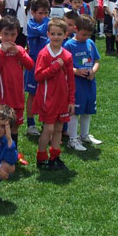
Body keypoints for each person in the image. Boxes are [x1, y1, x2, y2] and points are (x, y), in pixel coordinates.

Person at [0, 15, 33, 165]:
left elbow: (30, 65)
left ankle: (13, 154)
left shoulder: (19, 49)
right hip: (2, 99)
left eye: (12, 34)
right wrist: (2, 52)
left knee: (14, 127)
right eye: (5, 34)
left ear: (17, 34)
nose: (9, 38)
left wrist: (19, 52)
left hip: (17, 97)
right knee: (0, 127)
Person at [34, 17, 75, 170]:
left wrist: (71, 100)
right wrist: (55, 67)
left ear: (66, 35)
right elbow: (38, 76)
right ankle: (41, 156)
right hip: (48, 98)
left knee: (59, 128)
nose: (56, 37)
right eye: (53, 34)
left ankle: (55, 156)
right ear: (48, 34)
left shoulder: (67, 56)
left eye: (59, 34)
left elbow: (71, 80)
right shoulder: (44, 54)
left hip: (62, 99)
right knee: (49, 128)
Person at [63, 15, 101, 151]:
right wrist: (76, 72)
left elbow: (96, 61)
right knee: (75, 111)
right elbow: (65, 66)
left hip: (90, 83)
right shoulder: (69, 45)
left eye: (89, 35)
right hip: (76, 83)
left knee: (88, 110)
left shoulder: (90, 43)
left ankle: (84, 135)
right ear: (75, 29)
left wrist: (93, 71)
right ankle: (72, 139)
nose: (86, 37)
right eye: (83, 34)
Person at [24, 0, 50, 137]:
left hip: (46, 63)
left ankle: (45, 120)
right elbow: (40, 30)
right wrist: (47, 22)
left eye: (46, 13)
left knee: (46, 92)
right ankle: (30, 123)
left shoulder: (47, 23)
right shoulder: (31, 24)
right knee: (32, 93)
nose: (44, 16)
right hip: (33, 63)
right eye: (40, 13)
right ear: (33, 12)